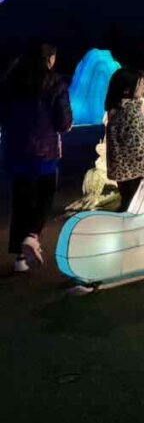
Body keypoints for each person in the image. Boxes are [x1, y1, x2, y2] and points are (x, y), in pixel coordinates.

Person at [0, 44, 72, 273]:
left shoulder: (10, 81)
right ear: (48, 59)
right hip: (45, 153)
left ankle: (20, 258)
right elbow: (64, 122)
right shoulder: (55, 82)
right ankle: (32, 236)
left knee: (22, 200)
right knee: (44, 197)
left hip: (15, 151)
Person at [104, 68, 144, 211]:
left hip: (124, 172)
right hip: (137, 173)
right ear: (127, 90)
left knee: (127, 203)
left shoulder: (116, 110)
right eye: (141, 84)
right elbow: (139, 147)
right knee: (136, 206)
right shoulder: (130, 111)